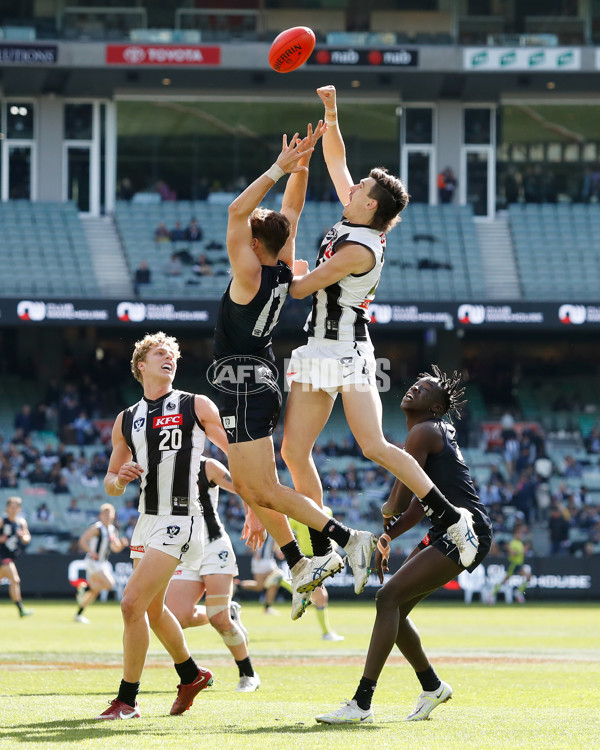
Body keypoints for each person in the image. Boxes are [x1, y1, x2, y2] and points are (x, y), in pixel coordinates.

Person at [282, 85, 480, 583]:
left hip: (347, 352)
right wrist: (330, 112)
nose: (350, 189)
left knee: (373, 444)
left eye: (359, 191)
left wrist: (289, 265)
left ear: (371, 208)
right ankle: (325, 547)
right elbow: (337, 159)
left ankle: (451, 517)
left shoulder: (360, 248)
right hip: (317, 349)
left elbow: (301, 289)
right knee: (292, 452)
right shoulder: (358, 217)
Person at [209, 122, 378, 621]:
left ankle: (346, 540)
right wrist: (297, 169)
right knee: (252, 486)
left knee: (262, 489)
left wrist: (277, 170)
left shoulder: (249, 272)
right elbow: (292, 211)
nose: (241, 235)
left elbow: (236, 210)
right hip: (260, 375)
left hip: (241, 382)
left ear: (254, 245)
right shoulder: (283, 267)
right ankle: (299, 562)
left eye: (248, 236)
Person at [315, 366, 493, 725]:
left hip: (464, 531)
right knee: (393, 611)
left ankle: (362, 703)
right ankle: (432, 687)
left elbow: (400, 495)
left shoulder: (424, 431)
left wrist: (386, 510)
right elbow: (417, 505)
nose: (415, 388)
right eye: (415, 384)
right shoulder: (428, 432)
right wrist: (387, 536)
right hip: (448, 530)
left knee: (387, 599)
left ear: (436, 408)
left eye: (425, 389)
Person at [95, 331, 231, 720]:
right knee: (152, 612)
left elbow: (235, 450)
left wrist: (255, 502)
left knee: (130, 604)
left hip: (182, 519)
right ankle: (191, 675)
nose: (168, 357)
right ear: (141, 365)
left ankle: (127, 700)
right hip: (145, 521)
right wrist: (120, 478)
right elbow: (110, 484)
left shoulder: (195, 404)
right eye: (159, 352)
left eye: (172, 353)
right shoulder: (127, 419)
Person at [165, 456, 260, 692]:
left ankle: (248, 674)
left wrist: (252, 514)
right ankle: (228, 612)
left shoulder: (207, 465)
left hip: (213, 546)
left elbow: (242, 487)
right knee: (177, 617)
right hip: (184, 550)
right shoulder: (162, 465)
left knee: (219, 620)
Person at [288, 510, 344, 642]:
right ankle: (326, 633)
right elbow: (288, 531)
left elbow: (330, 533)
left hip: (320, 558)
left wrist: (333, 547)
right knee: (321, 597)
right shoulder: (297, 508)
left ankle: (284, 582)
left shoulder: (326, 510)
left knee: (320, 596)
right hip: (306, 559)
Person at [74, 503, 129, 624]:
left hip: (102, 563)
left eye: (109, 514)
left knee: (95, 591)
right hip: (93, 562)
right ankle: (84, 589)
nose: (107, 517)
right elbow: (83, 540)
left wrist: (122, 545)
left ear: (113, 516)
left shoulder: (112, 530)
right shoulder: (96, 528)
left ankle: (78, 613)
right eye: (105, 514)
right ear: (100, 515)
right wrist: (91, 551)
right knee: (110, 584)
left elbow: (115, 548)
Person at [0, 496, 33, 618]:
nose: (13, 509)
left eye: (16, 507)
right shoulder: (2, 521)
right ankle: (21, 610)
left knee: (13, 580)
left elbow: (27, 538)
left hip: (10, 555)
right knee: (14, 579)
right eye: (11, 507)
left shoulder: (21, 523)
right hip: (2, 556)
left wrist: (23, 537)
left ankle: (21, 610)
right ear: (7, 508)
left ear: (19, 509)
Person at [491, 523, 531, 604]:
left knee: (528, 577)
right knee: (505, 580)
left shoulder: (520, 543)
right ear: (515, 534)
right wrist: (523, 551)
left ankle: (518, 592)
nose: (521, 535)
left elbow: (521, 553)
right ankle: (492, 593)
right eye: (519, 534)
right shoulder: (513, 543)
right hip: (513, 564)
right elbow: (512, 553)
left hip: (519, 564)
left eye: (521, 534)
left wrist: (524, 551)